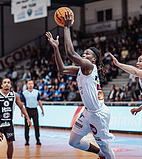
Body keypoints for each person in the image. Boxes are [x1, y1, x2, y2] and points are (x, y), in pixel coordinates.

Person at [45, 10, 115, 159]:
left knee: (106, 147)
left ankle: (105, 153)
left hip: (98, 114)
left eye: (88, 54)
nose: (84, 54)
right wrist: (56, 48)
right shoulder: (81, 69)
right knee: (73, 142)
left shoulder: (89, 66)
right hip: (88, 111)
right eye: (84, 53)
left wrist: (66, 27)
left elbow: (70, 53)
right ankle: (99, 153)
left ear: (94, 60)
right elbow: (62, 69)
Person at [0, 78, 32, 159]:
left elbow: (21, 107)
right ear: (1, 85)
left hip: (9, 123)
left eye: (8, 82)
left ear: (11, 85)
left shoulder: (14, 95)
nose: (6, 84)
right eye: (4, 82)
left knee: (10, 143)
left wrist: (28, 118)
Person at [21, 80, 44, 146]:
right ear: (27, 85)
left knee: (36, 125)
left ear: (33, 85)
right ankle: (27, 140)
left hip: (35, 110)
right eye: (29, 84)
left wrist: (42, 109)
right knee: (27, 126)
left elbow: (39, 101)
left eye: (31, 83)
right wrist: (22, 111)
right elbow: (22, 103)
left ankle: (38, 139)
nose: (30, 85)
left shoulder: (36, 92)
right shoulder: (24, 93)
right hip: (27, 110)